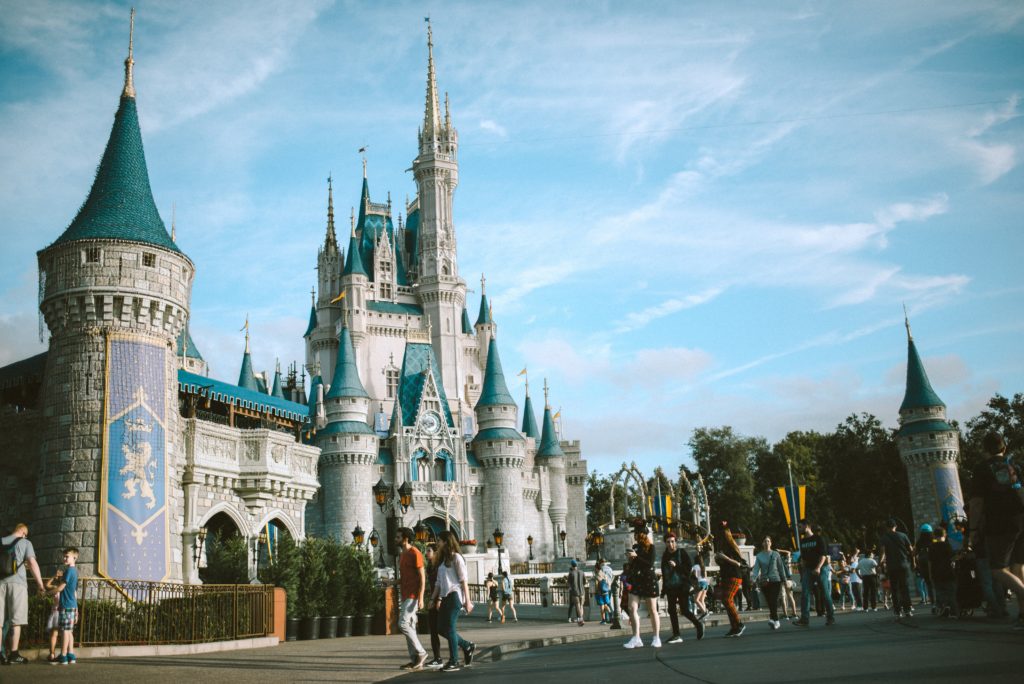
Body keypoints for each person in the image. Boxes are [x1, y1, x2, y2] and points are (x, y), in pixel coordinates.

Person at [968, 432, 1024, 630]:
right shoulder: (1014, 465)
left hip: (999, 524)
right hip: (1021, 519)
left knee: (998, 569)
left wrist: (973, 529)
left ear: (985, 449)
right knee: (1018, 567)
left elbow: (976, 503)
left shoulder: (982, 469)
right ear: (1004, 446)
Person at [0, 523, 47, 665]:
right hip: (17, 584)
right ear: (23, 532)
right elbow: (32, 563)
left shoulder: (1, 541)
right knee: (16, 621)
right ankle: (14, 654)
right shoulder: (26, 542)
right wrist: (40, 584)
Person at [430, 531, 475, 672]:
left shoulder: (457, 558)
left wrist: (467, 601)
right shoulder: (443, 560)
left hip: (455, 596)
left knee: (449, 628)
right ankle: (466, 645)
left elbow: (463, 581)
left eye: (439, 540)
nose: (437, 543)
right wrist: (433, 599)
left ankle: (454, 661)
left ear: (446, 541)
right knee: (441, 629)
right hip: (445, 598)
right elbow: (438, 582)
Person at [660, 532, 704, 643]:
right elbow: (664, 573)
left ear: (675, 542)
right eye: (668, 542)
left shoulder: (681, 552)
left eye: (672, 541)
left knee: (684, 610)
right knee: (671, 610)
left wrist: (676, 566)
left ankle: (698, 624)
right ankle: (676, 634)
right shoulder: (665, 556)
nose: (670, 544)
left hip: (682, 585)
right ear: (665, 543)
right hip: (670, 587)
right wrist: (663, 590)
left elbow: (688, 569)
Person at [395, 527, 428, 671]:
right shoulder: (402, 555)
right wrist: (391, 582)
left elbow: (422, 576)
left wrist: (421, 597)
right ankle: (415, 660)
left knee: (403, 624)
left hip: (413, 596)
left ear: (405, 538)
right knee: (410, 627)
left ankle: (421, 652)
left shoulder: (415, 553)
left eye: (397, 537)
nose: (395, 539)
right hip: (405, 595)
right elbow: (404, 578)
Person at [624, 524, 661, 648]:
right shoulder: (635, 547)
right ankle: (636, 637)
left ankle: (656, 637)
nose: (636, 537)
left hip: (648, 579)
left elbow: (649, 564)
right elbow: (635, 565)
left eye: (637, 535)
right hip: (636, 579)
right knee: (631, 608)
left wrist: (636, 557)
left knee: (652, 609)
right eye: (635, 535)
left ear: (643, 536)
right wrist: (630, 559)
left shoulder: (651, 548)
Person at [793, 518, 835, 627]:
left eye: (800, 526)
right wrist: (803, 569)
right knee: (805, 593)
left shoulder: (818, 539)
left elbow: (824, 555)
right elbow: (803, 557)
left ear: (807, 526)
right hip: (808, 569)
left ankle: (830, 617)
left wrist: (818, 568)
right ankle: (804, 619)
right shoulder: (802, 541)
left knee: (825, 593)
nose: (799, 529)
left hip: (821, 569)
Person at [714, 522, 747, 637]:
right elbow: (721, 562)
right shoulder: (720, 546)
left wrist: (725, 558)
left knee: (727, 599)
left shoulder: (732, 545)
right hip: (725, 575)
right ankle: (734, 626)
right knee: (725, 600)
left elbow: (738, 563)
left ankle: (738, 624)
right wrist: (718, 559)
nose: (720, 535)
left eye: (723, 533)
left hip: (734, 575)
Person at [879, 518, 915, 619]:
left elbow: (882, 552)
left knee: (894, 589)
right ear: (896, 526)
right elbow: (911, 551)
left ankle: (897, 610)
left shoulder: (884, 538)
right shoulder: (903, 536)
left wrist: (880, 563)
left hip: (892, 566)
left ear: (886, 527)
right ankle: (908, 609)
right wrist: (914, 562)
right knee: (904, 587)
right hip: (903, 564)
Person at [49, 548, 78, 665]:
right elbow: (74, 591)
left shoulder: (69, 571)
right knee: (69, 631)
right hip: (71, 605)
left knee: (65, 631)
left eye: (67, 556)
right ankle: (71, 654)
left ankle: (63, 655)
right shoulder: (75, 571)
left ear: (75, 558)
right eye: (64, 556)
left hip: (66, 605)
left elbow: (61, 588)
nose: (64, 558)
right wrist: (77, 609)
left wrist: (47, 593)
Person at [751, 536, 786, 629]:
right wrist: (753, 578)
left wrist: (784, 580)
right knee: (769, 602)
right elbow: (756, 569)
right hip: (764, 581)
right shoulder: (759, 556)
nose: (767, 543)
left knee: (773, 600)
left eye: (768, 541)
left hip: (776, 580)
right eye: (765, 541)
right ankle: (773, 619)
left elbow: (780, 567)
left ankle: (776, 620)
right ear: (762, 544)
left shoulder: (776, 554)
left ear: (771, 543)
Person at [930, 527, 959, 618]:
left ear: (934, 535)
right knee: (951, 593)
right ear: (944, 535)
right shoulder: (947, 545)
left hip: (936, 573)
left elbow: (929, 562)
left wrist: (930, 574)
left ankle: (943, 608)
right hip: (948, 572)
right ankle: (953, 612)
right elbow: (952, 558)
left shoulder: (932, 546)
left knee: (939, 592)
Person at [423, 543, 444, 669]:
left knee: (445, 630)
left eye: (429, 551)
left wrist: (439, 599)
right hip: (433, 598)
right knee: (433, 630)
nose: (427, 553)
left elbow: (442, 583)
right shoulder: (430, 566)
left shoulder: (440, 566)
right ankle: (437, 657)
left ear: (436, 552)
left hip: (440, 600)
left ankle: (465, 645)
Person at [44, 566, 65, 663]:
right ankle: (61, 654)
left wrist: (53, 576)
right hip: (62, 611)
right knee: (65, 634)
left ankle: (52, 654)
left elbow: (47, 585)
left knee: (54, 634)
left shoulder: (56, 588)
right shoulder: (64, 588)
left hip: (57, 612)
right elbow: (47, 585)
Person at [914, 524, 934, 606]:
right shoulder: (934, 540)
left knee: (928, 584)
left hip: (924, 566)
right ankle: (941, 602)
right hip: (934, 564)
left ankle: (933, 602)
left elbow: (914, 553)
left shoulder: (919, 542)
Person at [778, 549, 798, 619]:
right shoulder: (784, 560)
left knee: (783, 597)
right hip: (789, 580)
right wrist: (780, 550)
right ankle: (794, 614)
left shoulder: (775, 562)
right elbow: (788, 552)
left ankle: (785, 615)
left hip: (781, 580)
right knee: (790, 596)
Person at [567, 559, 586, 625]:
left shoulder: (571, 573)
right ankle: (581, 619)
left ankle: (580, 620)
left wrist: (570, 589)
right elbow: (584, 582)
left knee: (577, 605)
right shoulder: (582, 572)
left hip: (575, 592)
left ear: (571, 565)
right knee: (581, 606)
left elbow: (569, 584)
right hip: (582, 591)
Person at [692, 552, 710, 618]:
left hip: (700, 583)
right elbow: (705, 577)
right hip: (705, 583)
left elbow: (695, 576)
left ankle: (704, 612)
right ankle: (705, 613)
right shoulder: (703, 567)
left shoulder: (695, 566)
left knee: (696, 600)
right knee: (702, 600)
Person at [594, 559, 612, 624]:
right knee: (606, 604)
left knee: (602, 606)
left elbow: (596, 584)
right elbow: (607, 581)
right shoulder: (603, 573)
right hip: (606, 591)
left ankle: (603, 620)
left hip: (600, 592)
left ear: (596, 568)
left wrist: (595, 592)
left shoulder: (597, 575)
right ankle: (610, 614)